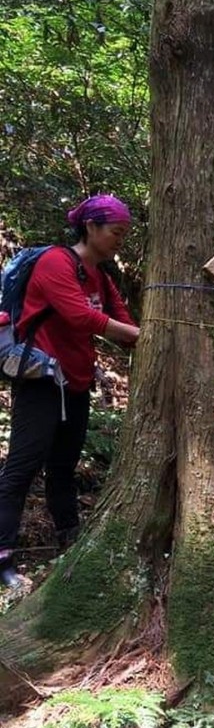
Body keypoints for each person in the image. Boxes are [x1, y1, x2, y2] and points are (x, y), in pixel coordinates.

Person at [0, 195, 140, 589]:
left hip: (76, 383)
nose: (120, 240)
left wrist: (144, 336)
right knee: (22, 469)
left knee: (63, 468)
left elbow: (122, 321)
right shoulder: (56, 263)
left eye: (124, 234)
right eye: (116, 232)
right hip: (41, 381)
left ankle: (69, 542)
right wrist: (138, 335)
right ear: (91, 227)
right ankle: (4, 559)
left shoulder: (101, 277)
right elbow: (81, 317)